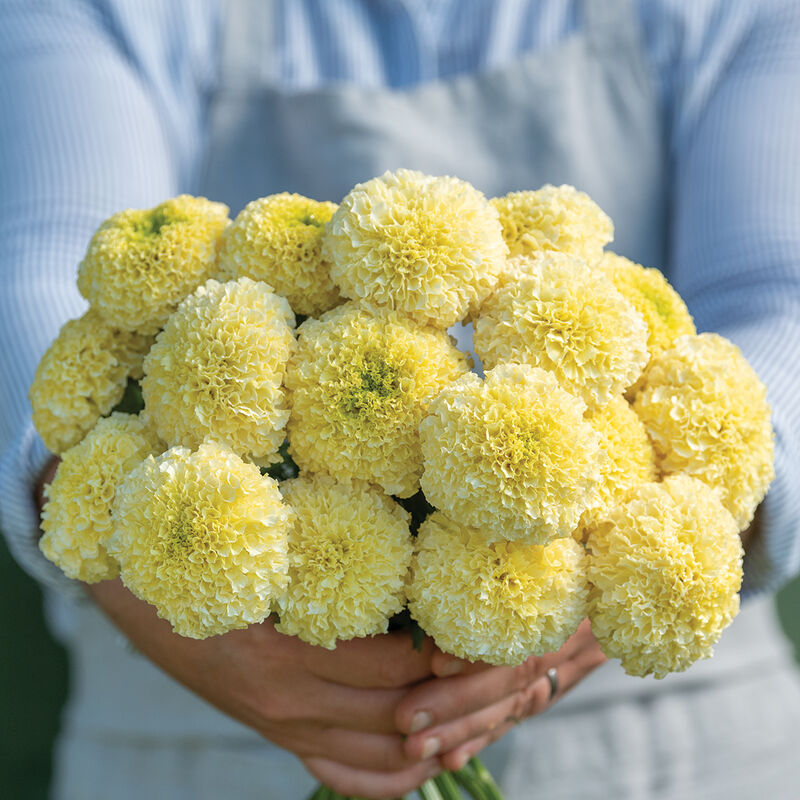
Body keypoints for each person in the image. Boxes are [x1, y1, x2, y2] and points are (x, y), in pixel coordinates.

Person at [2, 0, 800, 798]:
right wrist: (146, 583)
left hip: (670, 744)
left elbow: (780, 287)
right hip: (190, 703)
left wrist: (611, 579)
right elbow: (42, 257)